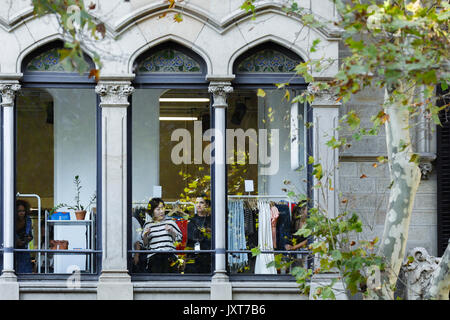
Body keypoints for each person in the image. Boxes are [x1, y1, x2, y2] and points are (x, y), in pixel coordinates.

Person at [141, 198, 183, 273]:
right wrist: (145, 236)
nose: (161, 211)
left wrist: (172, 231)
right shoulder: (148, 224)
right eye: (158, 209)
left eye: (162, 208)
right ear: (152, 211)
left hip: (169, 256)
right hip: (154, 257)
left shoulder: (170, 222)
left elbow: (179, 239)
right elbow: (145, 245)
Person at [184, 194, 212, 273]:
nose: (198, 205)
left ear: (206, 205)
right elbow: (188, 242)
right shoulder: (191, 221)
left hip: (209, 257)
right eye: (196, 203)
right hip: (193, 259)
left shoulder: (212, 220)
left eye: (201, 203)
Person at [15, 199, 33, 273]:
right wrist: (16, 240)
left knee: (25, 271)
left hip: (23, 249)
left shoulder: (28, 220)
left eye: (23, 211)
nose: (21, 213)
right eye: (19, 211)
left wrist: (28, 239)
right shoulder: (11, 220)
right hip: (12, 249)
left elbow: (30, 235)